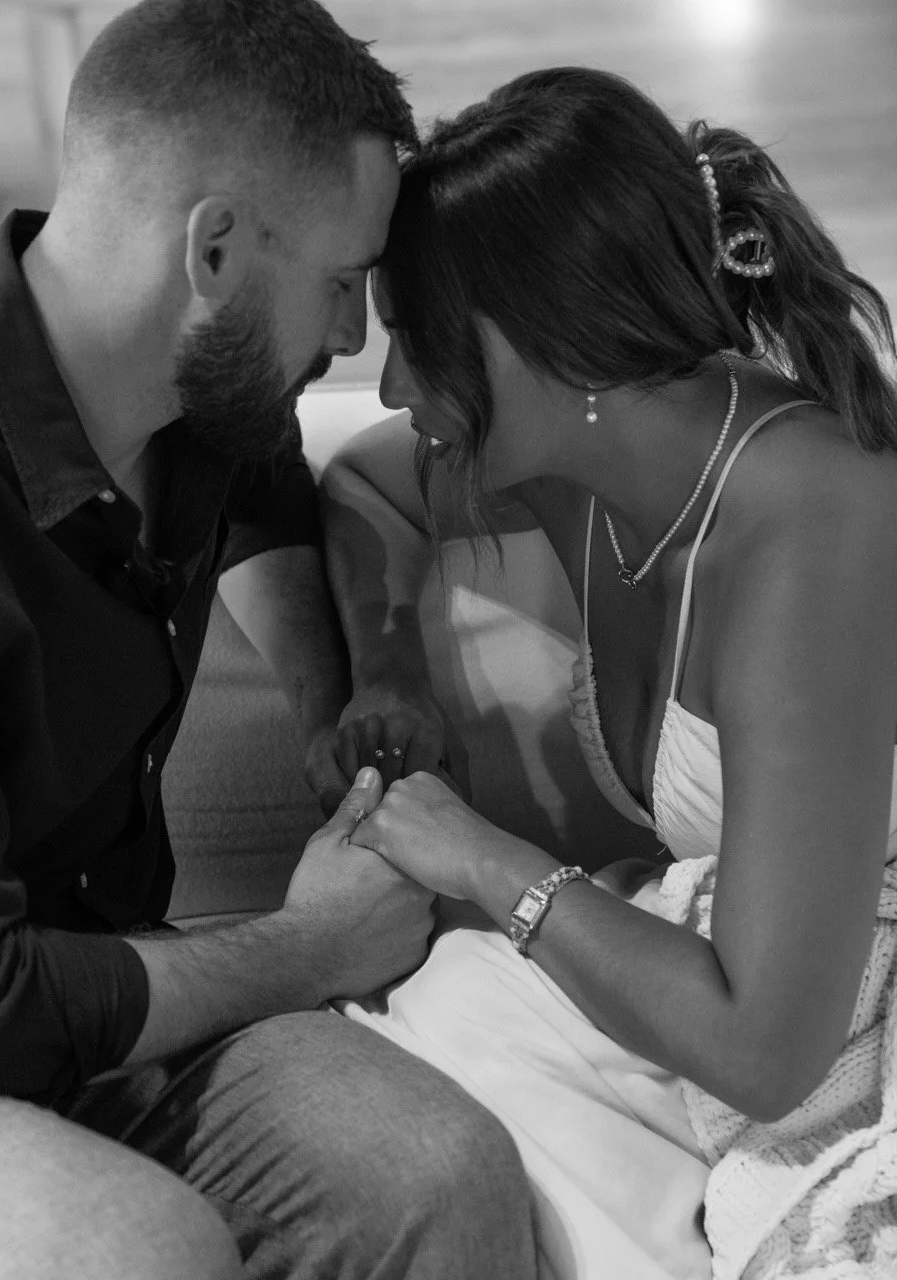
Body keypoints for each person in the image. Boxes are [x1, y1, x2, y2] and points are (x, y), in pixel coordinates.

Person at [0, 4, 541, 1278]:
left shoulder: (194, 394)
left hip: (67, 990)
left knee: (439, 1169)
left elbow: (267, 486)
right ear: (215, 248)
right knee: (134, 1246)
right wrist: (308, 946)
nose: (353, 340)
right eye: (343, 282)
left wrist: (326, 708)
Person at [320, 67, 897, 1280]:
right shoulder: (578, 467)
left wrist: (483, 857)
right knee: (434, 1043)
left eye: (414, 341)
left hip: (820, 1028)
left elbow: (766, 1051)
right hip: (745, 999)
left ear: (533, 335)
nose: (394, 388)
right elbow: (362, 487)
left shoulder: (812, 524)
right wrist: (390, 669)